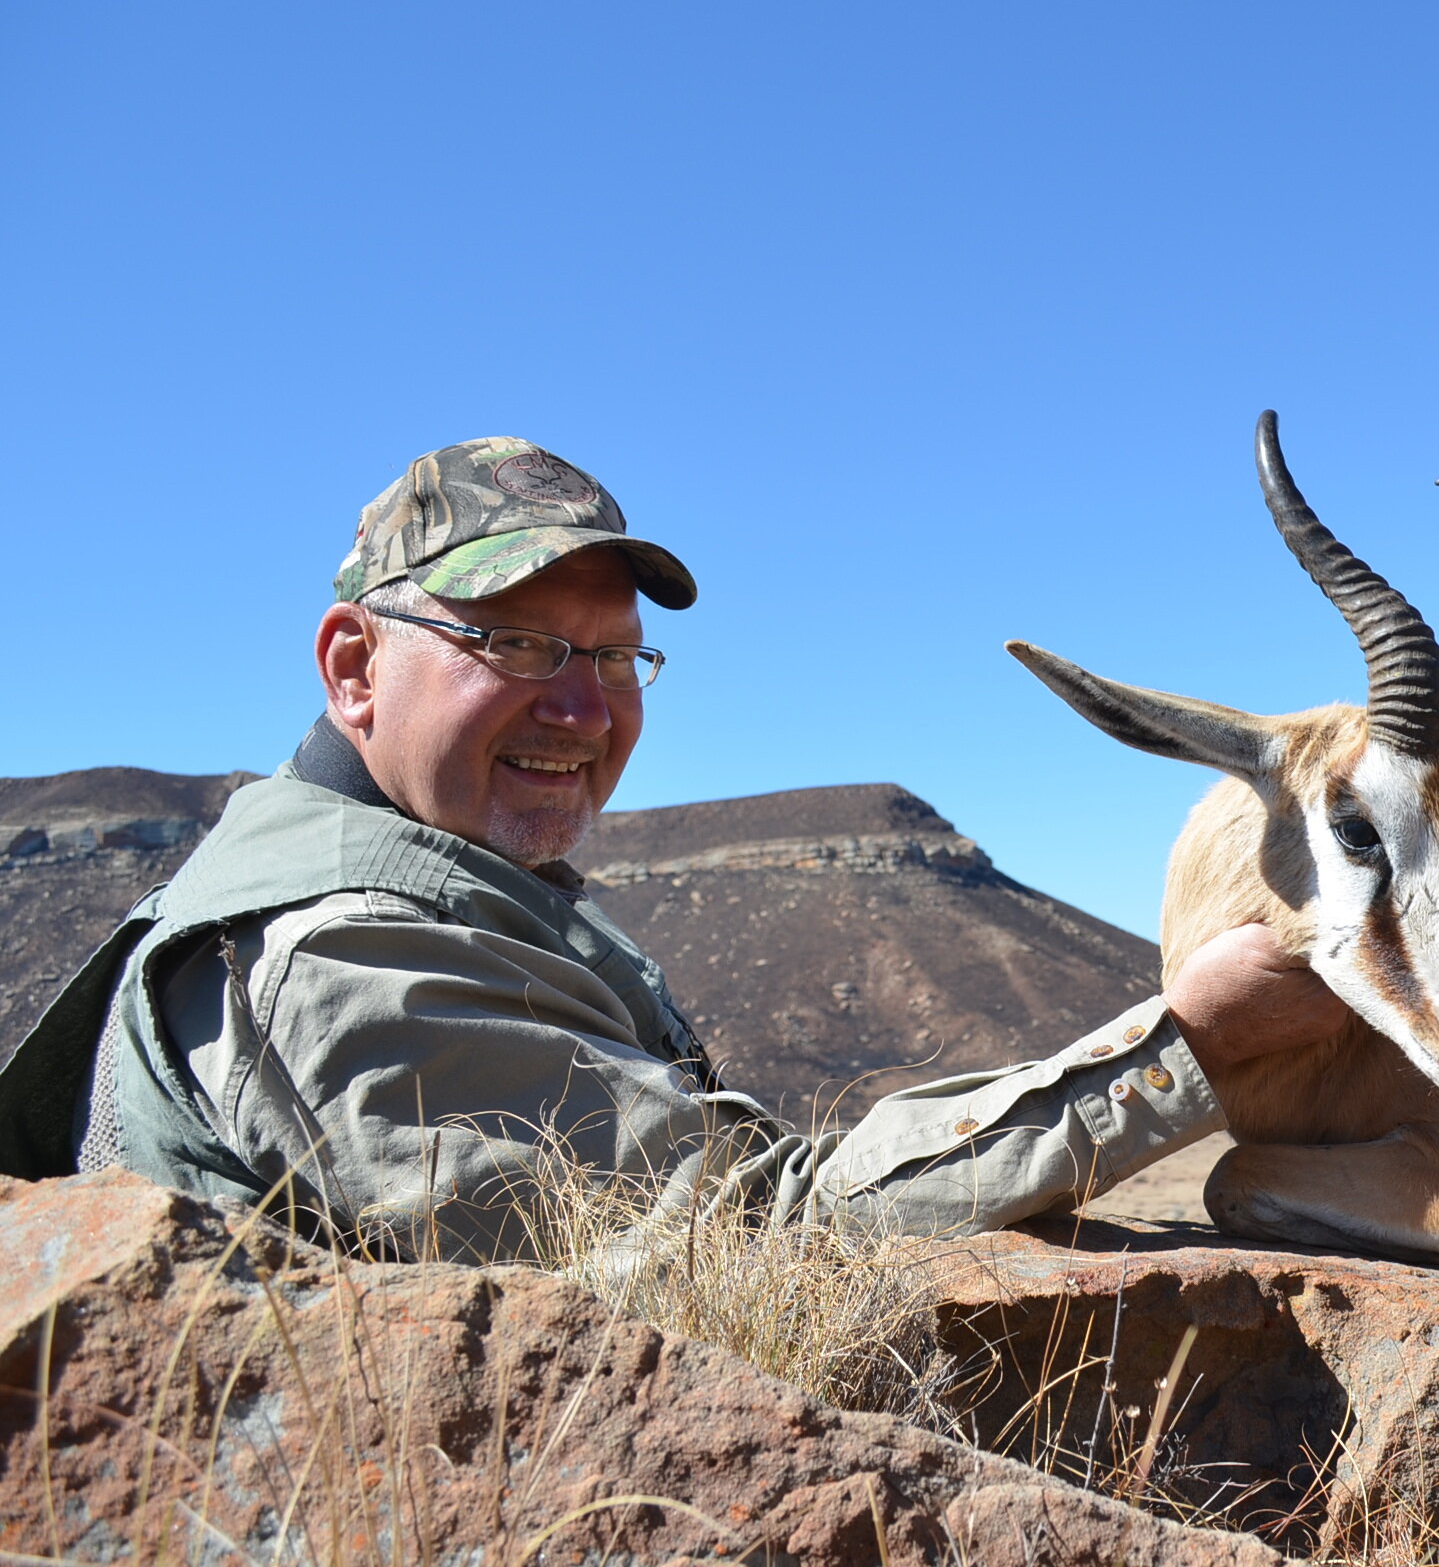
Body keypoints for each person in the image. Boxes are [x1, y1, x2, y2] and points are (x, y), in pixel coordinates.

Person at [0, 436, 1348, 1261]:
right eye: (518, 646)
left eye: (615, 655)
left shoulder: (439, 885)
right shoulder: (342, 959)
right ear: (355, 669)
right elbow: (757, 1238)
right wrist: (1192, 1049)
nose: (584, 707)